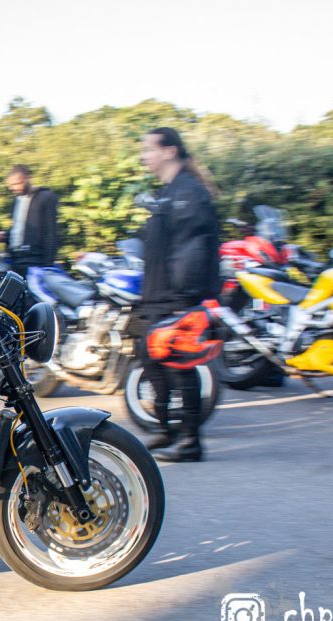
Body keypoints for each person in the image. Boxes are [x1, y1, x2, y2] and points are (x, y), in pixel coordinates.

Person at [136, 127, 221, 462]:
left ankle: (190, 441)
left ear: (169, 151)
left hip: (176, 296)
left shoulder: (188, 192)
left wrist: (183, 296)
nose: (145, 155)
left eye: (149, 149)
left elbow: (192, 249)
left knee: (178, 365)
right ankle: (167, 429)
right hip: (158, 294)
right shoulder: (172, 191)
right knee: (149, 356)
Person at [0, 165, 59, 278]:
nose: (13, 188)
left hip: (35, 258)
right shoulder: (16, 201)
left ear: (27, 179)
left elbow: (51, 233)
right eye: (11, 185)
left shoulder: (45, 197)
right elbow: (20, 229)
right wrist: (6, 236)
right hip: (16, 258)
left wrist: (48, 265)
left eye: (17, 183)